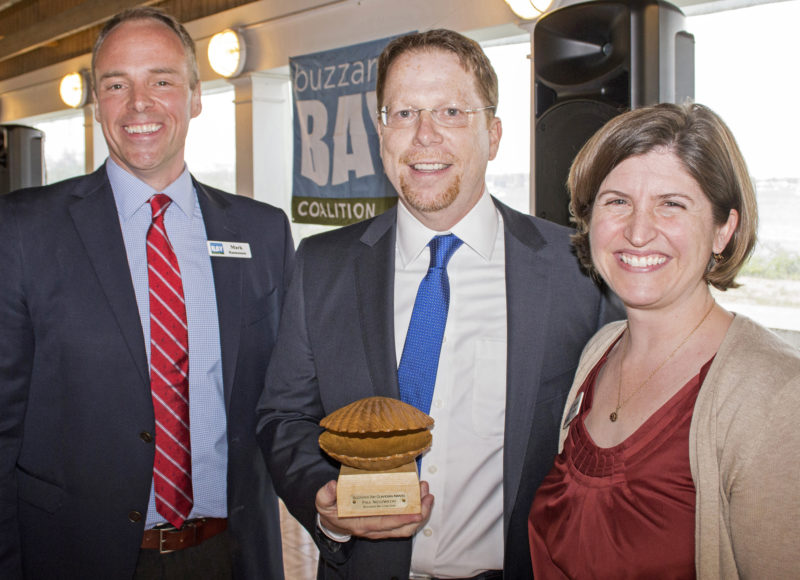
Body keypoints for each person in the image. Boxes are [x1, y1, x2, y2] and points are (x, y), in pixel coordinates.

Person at [257, 29, 622, 579]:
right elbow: (283, 416)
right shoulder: (321, 265)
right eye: (403, 114)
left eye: (451, 111)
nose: (424, 136)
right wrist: (322, 500)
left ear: (493, 134)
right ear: (381, 133)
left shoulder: (576, 271)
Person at [0, 7, 293, 579]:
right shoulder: (23, 231)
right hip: (75, 556)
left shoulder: (261, 233)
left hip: (228, 553)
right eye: (117, 84)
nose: (139, 103)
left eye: (161, 80)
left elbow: (282, 403)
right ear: (96, 100)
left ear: (196, 95)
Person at [529, 102, 800, 579]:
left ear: (723, 229)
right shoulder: (599, 351)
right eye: (617, 202)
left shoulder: (777, 396)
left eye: (671, 204)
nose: (637, 231)